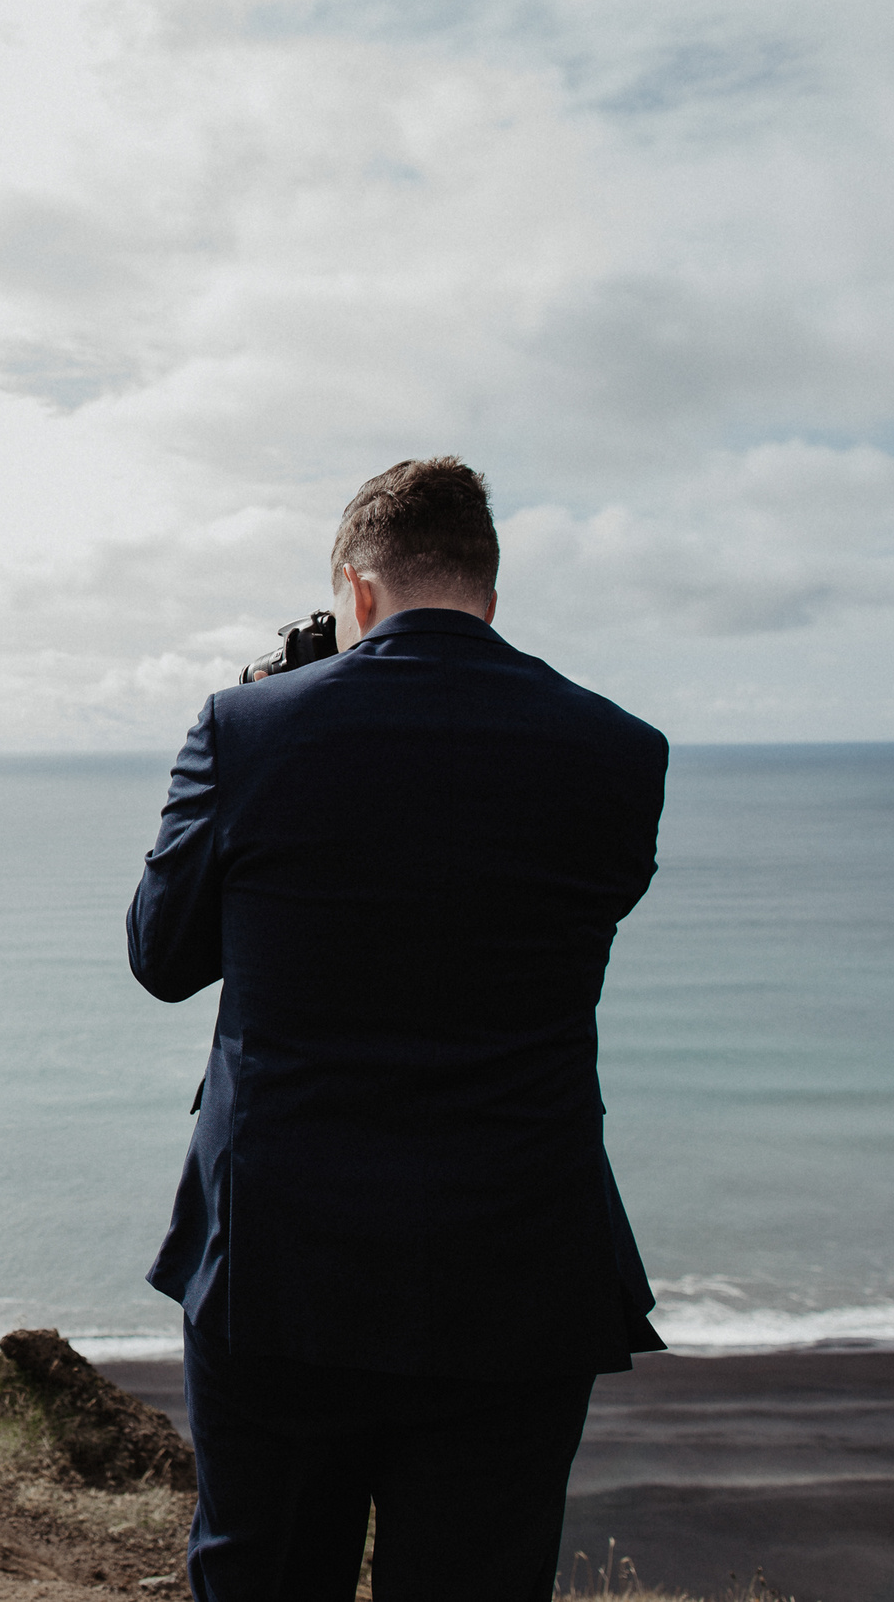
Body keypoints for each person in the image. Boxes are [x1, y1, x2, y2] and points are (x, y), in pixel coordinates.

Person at [127, 457, 668, 1602]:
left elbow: (163, 959)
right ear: (487, 590)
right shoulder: (622, 753)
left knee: (265, 1579)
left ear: (353, 593)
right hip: (518, 1259)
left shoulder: (245, 729)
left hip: (282, 1258)